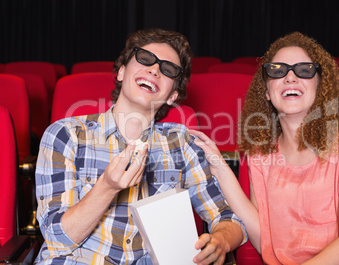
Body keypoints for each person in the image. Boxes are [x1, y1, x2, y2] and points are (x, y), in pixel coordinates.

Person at [35, 28, 246, 265]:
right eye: (145, 59)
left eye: (168, 69)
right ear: (122, 72)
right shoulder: (66, 134)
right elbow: (56, 239)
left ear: (172, 96)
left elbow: (230, 219)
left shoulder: (182, 143)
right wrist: (106, 187)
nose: (154, 70)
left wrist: (221, 241)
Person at [191, 31, 339, 264]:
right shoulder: (260, 150)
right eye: (278, 71)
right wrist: (220, 167)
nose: (290, 77)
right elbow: (265, 238)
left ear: (320, 85)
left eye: (304, 70)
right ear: (266, 91)